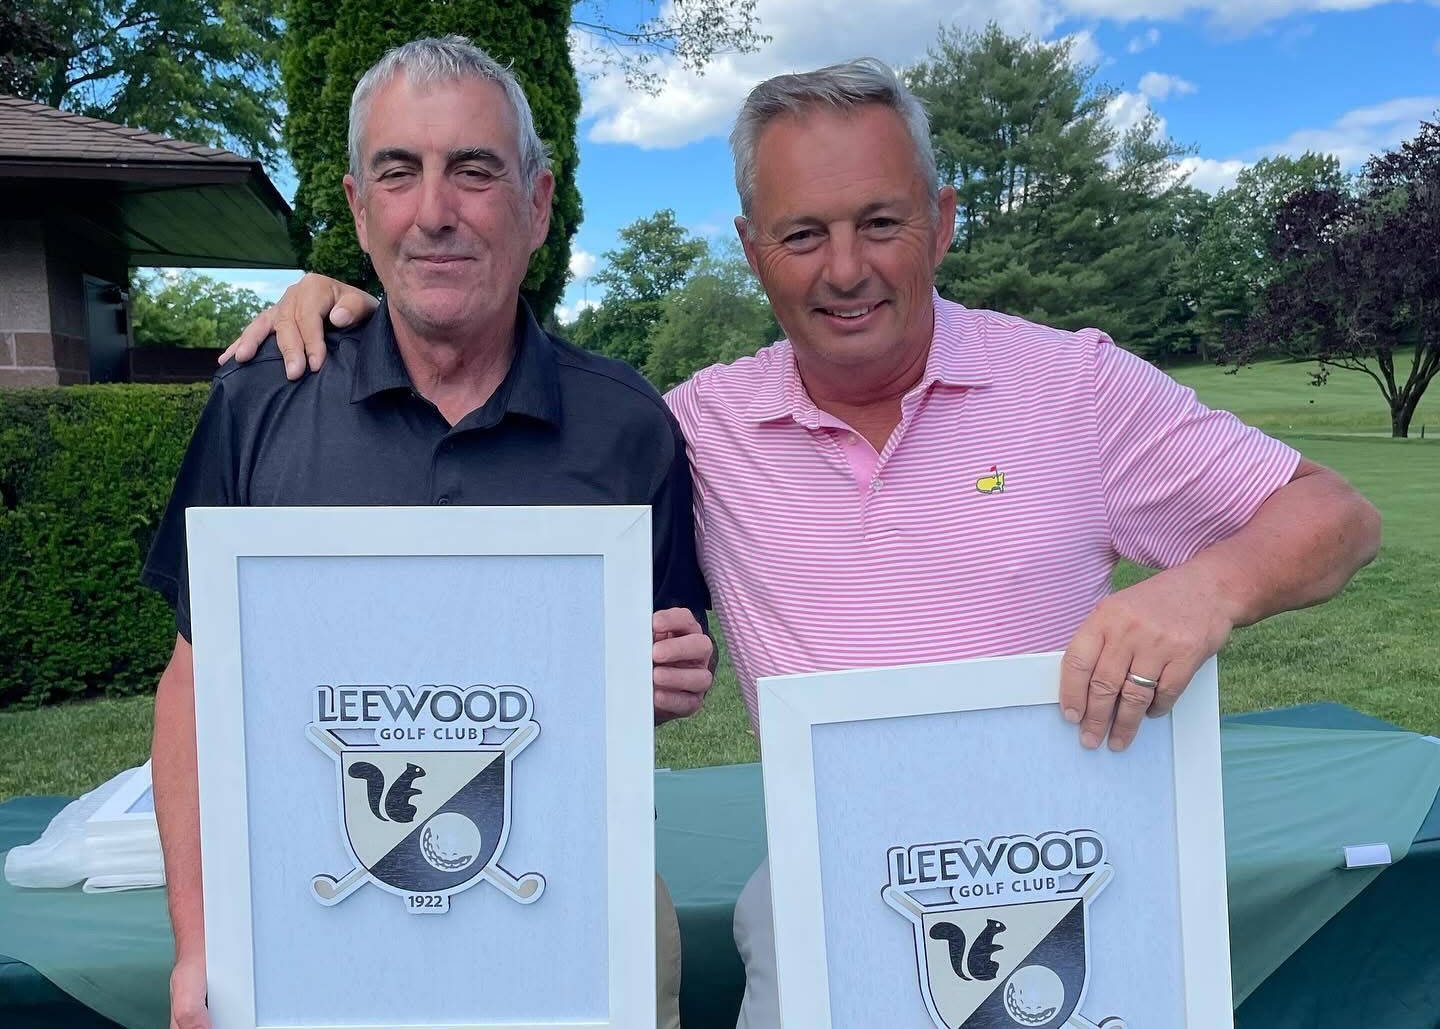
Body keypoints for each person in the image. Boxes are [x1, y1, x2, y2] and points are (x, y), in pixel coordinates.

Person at [227, 58, 1381, 1027]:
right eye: (802, 233)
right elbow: (505, 446)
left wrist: (1203, 589)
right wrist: (351, 297)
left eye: (880, 222)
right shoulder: (695, 426)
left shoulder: (1074, 384)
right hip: (831, 900)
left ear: (941, 218)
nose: (844, 269)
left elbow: (1335, 514)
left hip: (1068, 881)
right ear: (750, 246)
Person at [145, 36, 713, 1029]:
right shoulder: (261, 404)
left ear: (536, 206)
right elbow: (194, 691)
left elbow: (633, 685)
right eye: (399, 172)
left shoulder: (629, 427)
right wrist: (202, 942)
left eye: (474, 170)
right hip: (315, 914)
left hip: (569, 912)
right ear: (360, 211)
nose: (435, 210)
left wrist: (662, 679)